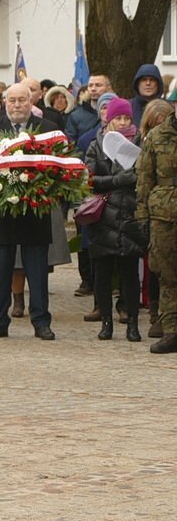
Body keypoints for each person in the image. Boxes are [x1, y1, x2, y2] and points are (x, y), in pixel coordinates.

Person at [0, 82, 61, 340]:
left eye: (22, 100)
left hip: (35, 212)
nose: (17, 105)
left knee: (37, 271)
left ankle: (41, 322)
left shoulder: (47, 130)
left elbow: (59, 167)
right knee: (1, 269)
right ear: (4, 103)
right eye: (12, 100)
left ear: (31, 103)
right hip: (0, 214)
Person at [84, 97, 144, 342]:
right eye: (118, 118)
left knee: (130, 273)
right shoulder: (96, 145)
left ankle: (132, 323)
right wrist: (115, 181)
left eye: (126, 118)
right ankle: (106, 322)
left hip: (130, 215)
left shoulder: (140, 142)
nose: (122, 122)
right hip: (104, 215)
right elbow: (88, 180)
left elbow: (144, 175)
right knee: (103, 273)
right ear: (109, 120)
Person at [135, 97, 177, 353]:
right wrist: (142, 217)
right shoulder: (157, 135)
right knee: (168, 275)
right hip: (163, 215)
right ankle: (171, 329)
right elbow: (144, 177)